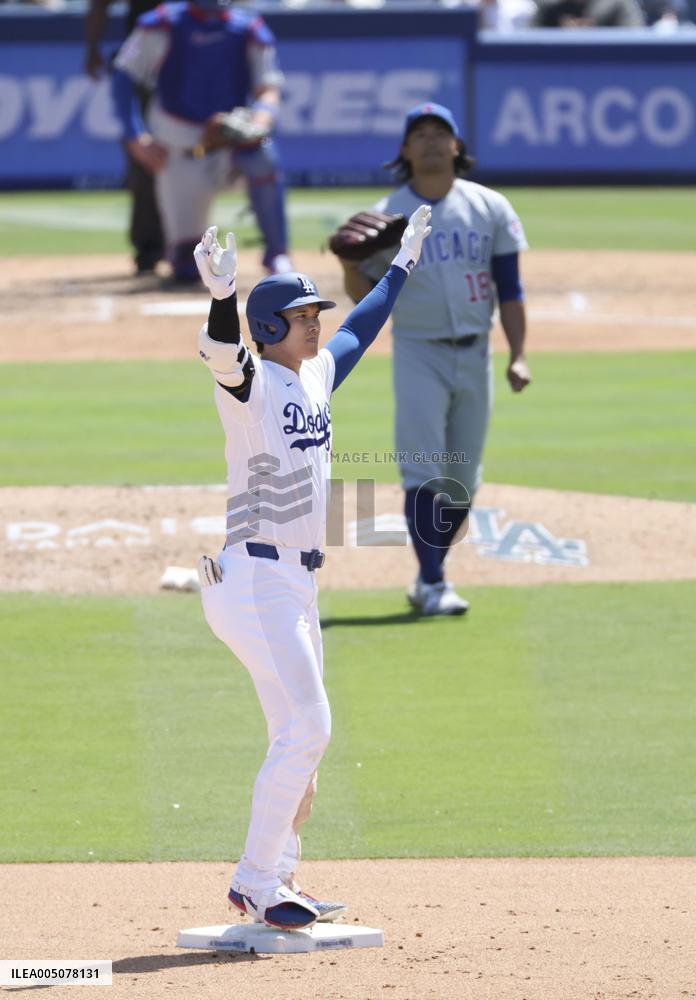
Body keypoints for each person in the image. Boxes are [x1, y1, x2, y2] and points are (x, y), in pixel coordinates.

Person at [193, 206, 432, 929]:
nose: (314, 322)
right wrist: (222, 295)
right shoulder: (251, 387)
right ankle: (255, 882)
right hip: (254, 579)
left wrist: (401, 267)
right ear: (268, 329)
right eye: (301, 314)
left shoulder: (315, 374)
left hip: (295, 584)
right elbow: (218, 351)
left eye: (313, 311)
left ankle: (281, 880)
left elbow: (361, 326)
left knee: (298, 742)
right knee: (311, 723)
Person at [338, 103, 531, 617]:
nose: (428, 142)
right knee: (422, 473)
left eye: (438, 133)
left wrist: (519, 355)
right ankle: (434, 579)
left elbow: (510, 289)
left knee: (464, 480)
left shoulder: (489, 206)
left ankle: (428, 577)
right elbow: (367, 294)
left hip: (477, 350)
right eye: (418, 134)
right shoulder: (387, 214)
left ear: (456, 147)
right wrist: (349, 262)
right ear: (404, 150)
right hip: (417, 349)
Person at [111, 0, 290, 284]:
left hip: (229, 149)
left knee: (263, 153)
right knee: (187, 265)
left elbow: (268, 88)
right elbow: (123, 74)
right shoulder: (160, 22)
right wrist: (135, 138)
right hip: (178, 153)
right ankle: (182, 253)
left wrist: (259, 123)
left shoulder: (249, 27)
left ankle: (277, 254)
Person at [84, 0, 165, 274]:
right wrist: (92, 46)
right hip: (144, 69)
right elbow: (100, 4)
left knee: (194, 161)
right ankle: (149, 250)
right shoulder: (148, 26)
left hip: (193, 67)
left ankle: (193, 249)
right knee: (145, 159)